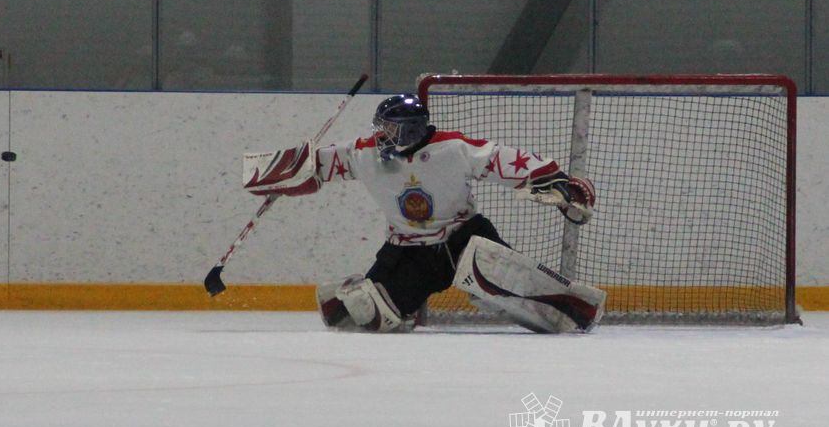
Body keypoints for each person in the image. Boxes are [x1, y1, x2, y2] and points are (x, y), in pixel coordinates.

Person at [242, 94, 603, 333]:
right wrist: (276, 174)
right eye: (380, 128)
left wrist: (558, 182)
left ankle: (572, 307)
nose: (381, 136)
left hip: (463, 237)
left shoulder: (454, 148)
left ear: (411, 129)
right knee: (365, 313)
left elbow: (507, 161)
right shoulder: (364, 154)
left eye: (390, 129)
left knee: (490, 274)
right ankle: (391, 301)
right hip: (408, 253)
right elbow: (317, 166)